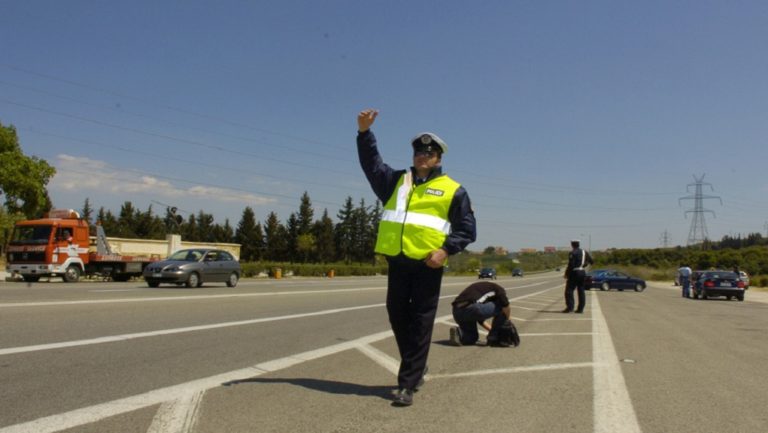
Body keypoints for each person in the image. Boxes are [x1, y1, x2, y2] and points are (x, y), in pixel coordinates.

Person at [357, 108, 477, 406]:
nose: (422, 156)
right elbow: (371, 165)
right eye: (418, 152)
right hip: (397, 261)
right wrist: (364, 133)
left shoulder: (453, 190)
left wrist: (445, 250)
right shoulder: (397, 181)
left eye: (429, 152)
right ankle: (417, 365)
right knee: (398, 316)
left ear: (439, 158)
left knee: (421, 322)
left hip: (428, 264)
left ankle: (407, 384)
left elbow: (467, 229)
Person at [449, 281, 511, 346]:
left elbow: (480, 319)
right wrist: (508, 320)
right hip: (470, 308)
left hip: (457, 311)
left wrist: (491, 330)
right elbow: (505, 304)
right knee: (502, 307)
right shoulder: (499, 290)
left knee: (472, 338)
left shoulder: (483, 291)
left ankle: (459, 333)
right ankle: (494, 338)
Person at [563, 239, 593, 313]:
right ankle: (580, 309)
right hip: (582, 272)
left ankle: (570, 308)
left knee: (569, 291)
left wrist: (566, 274)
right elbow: (592, 261)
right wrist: (584, 265)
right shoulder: (584, 252)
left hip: (574, 272)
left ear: (572, 245)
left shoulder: (572, 253)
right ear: (578, 244)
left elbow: (571, 265)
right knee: (581, 290)